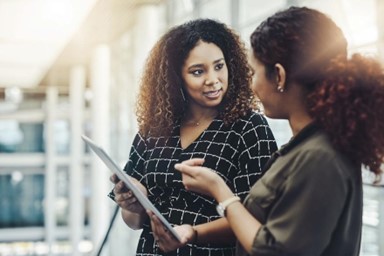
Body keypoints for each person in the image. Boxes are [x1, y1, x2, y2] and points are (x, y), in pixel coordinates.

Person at [148, 6, 384, 256]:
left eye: (253, 72)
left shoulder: (319, 156)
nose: (250, 84)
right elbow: (262, 227)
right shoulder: (307, 148)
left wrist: (219, 190)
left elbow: (274, 250)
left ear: (279, 76)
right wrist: (194, 232)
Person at [109, 18, 278, 255]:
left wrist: (192, 231)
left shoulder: (249, 128)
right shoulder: (153, 132)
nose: (213, 79)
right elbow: (134, 222)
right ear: (176, 78)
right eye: (198, 71)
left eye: (219, 66)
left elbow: (254, 219)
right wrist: (133, 204)